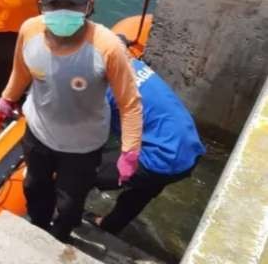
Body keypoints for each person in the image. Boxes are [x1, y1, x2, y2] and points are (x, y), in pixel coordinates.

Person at [0, 0, 143, 243]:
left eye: (72, 4)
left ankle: (61, 236)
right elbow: (21, 70)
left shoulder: (108, 47)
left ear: (88, 5)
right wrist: (8, 96)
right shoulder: (30, 30)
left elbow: (130, 103)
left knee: (70, 202)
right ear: (42, 6)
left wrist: (130, 150)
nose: (62, 11)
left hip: (82, 147)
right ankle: (38, 226)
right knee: (34, 186)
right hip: (39, 134)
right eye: (54, 4)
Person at [88, 56, 206, 234]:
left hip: (161, 155)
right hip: (188, 149)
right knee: (141, 191)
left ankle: (65, 217)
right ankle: (109, 226)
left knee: (83, 171)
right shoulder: (133, 64)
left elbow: (86, 139)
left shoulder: (104, 93)